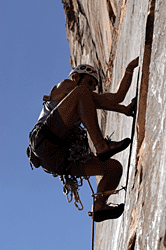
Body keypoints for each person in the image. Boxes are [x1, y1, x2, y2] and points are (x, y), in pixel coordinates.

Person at [29, 57, 139, 222]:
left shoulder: (82, 98)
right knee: (81, 93)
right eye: (89, 81)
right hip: (44, 140)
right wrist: (121, 108)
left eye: (94, 86)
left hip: (60, 161)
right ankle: (102, 146)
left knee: (113, 168)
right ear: (76, 77)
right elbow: (95, 96)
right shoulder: (66, 86)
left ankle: (99, 205)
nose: (91, 88)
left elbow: (116, 98)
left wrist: (129, 69)